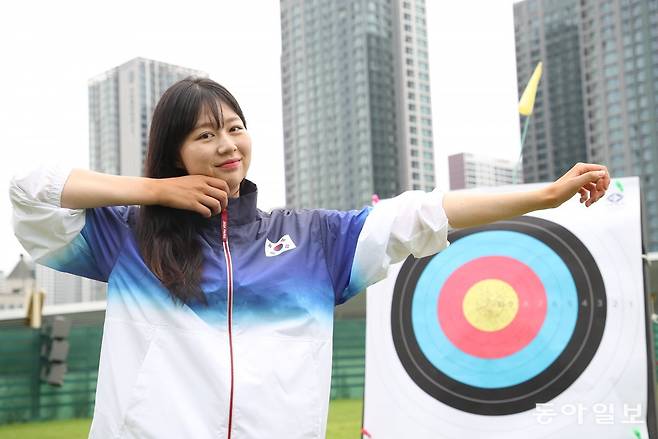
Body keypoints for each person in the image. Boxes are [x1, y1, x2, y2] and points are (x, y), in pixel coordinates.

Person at [9, 77, 610, 439]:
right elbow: (26, 188)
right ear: (173, 151)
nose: (226, 146)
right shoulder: (127, 238)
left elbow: (425, 213)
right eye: (203, 135)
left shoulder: (315, 240)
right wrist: (154, 192)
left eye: (235, 128)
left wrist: (546, 194)